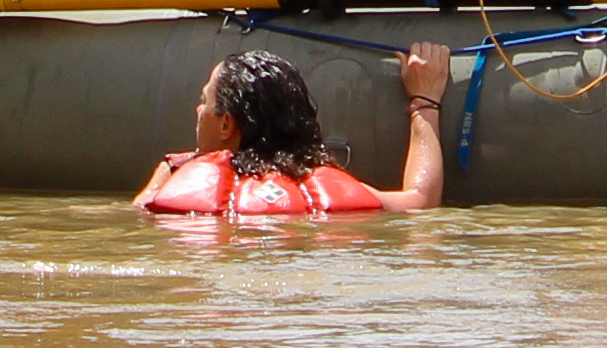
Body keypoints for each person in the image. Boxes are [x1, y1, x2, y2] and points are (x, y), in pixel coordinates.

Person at [136, 46, 451, 219]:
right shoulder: (321, 185)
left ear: (225, 125)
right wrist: (425, 99)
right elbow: (421, 200)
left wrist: (168, 170)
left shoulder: (179, 176)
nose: (198, 109)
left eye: (205, 101)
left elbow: (138, 216)